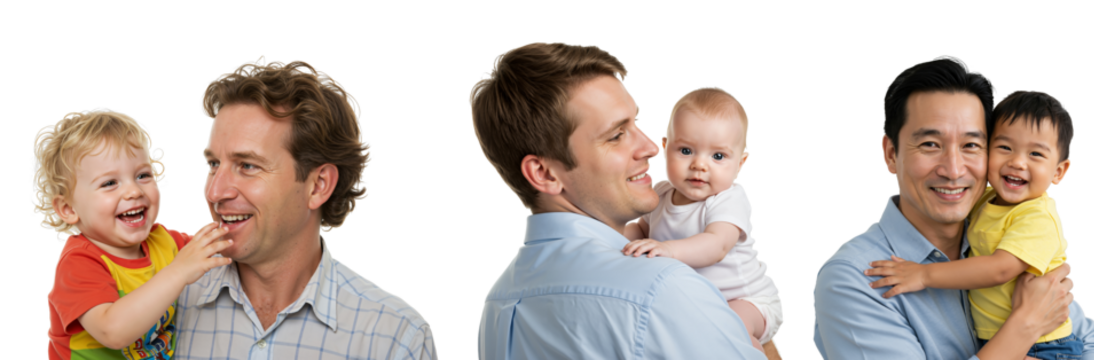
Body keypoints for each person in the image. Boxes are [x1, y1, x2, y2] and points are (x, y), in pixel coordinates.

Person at [810, 55, 1094, 359]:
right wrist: (1026, 325)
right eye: (930, 144)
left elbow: (1092, 345)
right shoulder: (854, 279)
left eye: (971, 145)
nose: (954, 170)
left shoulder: (1005, 228)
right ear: (890, 154)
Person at [473, 43, 764, 359]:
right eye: (616, 135)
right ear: (544, 173)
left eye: (636, 123)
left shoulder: (496, 305)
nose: (652, 147)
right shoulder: (663, 288)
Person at [174, 55, 438, 359]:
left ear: (318, 185)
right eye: (213, 164)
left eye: (247, 165)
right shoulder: (165, 304)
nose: (214, 192)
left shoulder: (395, 337)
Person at [866, 90, 1081, 359]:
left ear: (1059, 171)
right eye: (1004, 148)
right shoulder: (986, 199)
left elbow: (1001, 269)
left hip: (1045, 346)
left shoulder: (1037, 217)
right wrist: (1025, 324)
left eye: (1036, 154)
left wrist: (924, 275)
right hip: (1007, 338)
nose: (1017, 162)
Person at [39, 108, 233, 359]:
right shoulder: (78, 264)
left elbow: (210, 258)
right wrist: (179, 272)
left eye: (142, 175)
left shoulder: (165, 241)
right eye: (110, 183)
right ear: (68, 209)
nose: (133, 191)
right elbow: (112, 332)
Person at [620, 86, 784, 358]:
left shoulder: (728, 199)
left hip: (746, 299)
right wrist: (615, 237)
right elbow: (640, 230)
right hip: (701, 303)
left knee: (731, 327)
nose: (699, 165)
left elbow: (716, 245)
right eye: (686, 150)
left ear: (740, 164)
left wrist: (669, 250)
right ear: (664, 148)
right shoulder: (661, 193)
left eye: (717, 156)